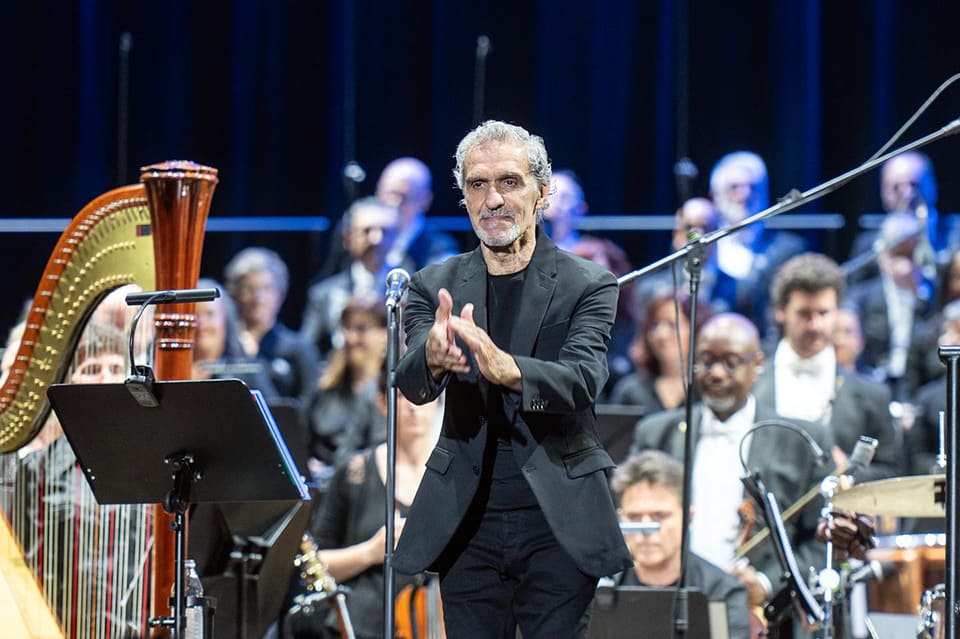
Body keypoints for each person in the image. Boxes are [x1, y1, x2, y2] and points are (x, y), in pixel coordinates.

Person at [393, 120, 631, 638]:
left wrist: (512, 370)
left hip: (557, 520)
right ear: (463, 196)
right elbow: (410, 381)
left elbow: (584, 379)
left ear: (541, 193)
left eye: (509, 182)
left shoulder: (587, 282)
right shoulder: (432, 285)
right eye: (478, 185)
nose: (493, 199)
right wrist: (432, 356)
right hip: (466, 519)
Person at [631, 313, 829, 619]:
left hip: (760, 615)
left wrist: (765, 582)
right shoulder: (656, 433)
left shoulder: (800, 441)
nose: (716, 373)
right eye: (706, 361)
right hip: (668, 602)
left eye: (731, 362)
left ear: (758, 364)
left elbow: (817, 541)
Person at [290, 390, 443, 639]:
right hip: (362, 627)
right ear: (383, 402)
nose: (415, 406)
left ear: (438, 402)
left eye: (427, 395)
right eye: (405, 396)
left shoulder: (456, 476)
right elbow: (313, 564)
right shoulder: (354, 474)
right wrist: (371, 551)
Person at [753, 253, 902, 482]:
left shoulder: (873, 397)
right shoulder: (752, 385)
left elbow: (892, 476)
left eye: (823, 313)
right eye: (804, 314)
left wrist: (849, 471)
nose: (815, 325)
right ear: (780, 312)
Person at [609, 450, 750, 639]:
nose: (645, 529)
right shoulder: (605, 586)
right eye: (634, 517)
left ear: (688, 517)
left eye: (659, 516)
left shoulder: (722, 591)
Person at [709, 151, 806, 333]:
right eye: (734, 187)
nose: (745, 194)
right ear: (715, 196)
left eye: (753, 187)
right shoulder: (705, 248)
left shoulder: (789, 250)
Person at [846, 212, 935, 397]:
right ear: (883, 254)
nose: (904, 263)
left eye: (910, 254)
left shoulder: (930, 293)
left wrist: (917, 291)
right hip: (873, 383)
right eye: (898, 253)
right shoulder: (863, 297)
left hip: (917, 387)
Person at [300, 197, 400, 358]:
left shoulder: (413, 290)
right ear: (347, 238)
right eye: (367, 231)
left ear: (396, 238)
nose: (376, 239)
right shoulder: (323, 294)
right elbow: (306, 352)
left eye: (385, 231)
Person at [306, 295, 388, 480]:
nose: (350, 337)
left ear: (385, 334)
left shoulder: (396, 392)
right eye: (346, 328)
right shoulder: (325, 388)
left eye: (361, 329)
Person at [224, 247, 320, 404]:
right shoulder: (225, 346)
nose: (258, 298)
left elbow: (307, 409)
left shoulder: (300, 349)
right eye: (249, 289)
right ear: (235, 295)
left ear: (280, 294)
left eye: (267, 288)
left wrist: (251, 361)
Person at [607, 293, 706, 418]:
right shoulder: (631, 391)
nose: (661, 334)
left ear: (696, 330)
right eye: (654, 326)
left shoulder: (708, 390)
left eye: (672, 324)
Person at [192, 277, 279, 396]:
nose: (201, 323)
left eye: (210, 314)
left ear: (226, 320)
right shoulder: (170, 373)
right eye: (194, 315)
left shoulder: (247, 373)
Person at [376, 157, 460, 270]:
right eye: (391, 194)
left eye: (404, 197)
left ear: (425, 200)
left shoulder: (440, 249)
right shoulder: (368, 239)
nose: (395, 203)